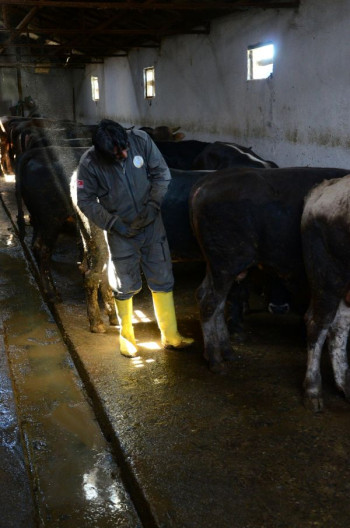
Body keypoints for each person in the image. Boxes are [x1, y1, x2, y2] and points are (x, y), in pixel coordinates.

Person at [76, 119, 194, 357]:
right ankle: (127, 337)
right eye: (116, 153)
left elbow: (162, 173)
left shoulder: (140, 141)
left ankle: (170, 335)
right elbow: (85, 200)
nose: (124, 154)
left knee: (162, 276)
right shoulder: (89, 163)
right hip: (121, 230)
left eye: (124, 148)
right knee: (123, 282)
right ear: (101, 152)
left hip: (152, 224)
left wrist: (153, 205)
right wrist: (113, 224)